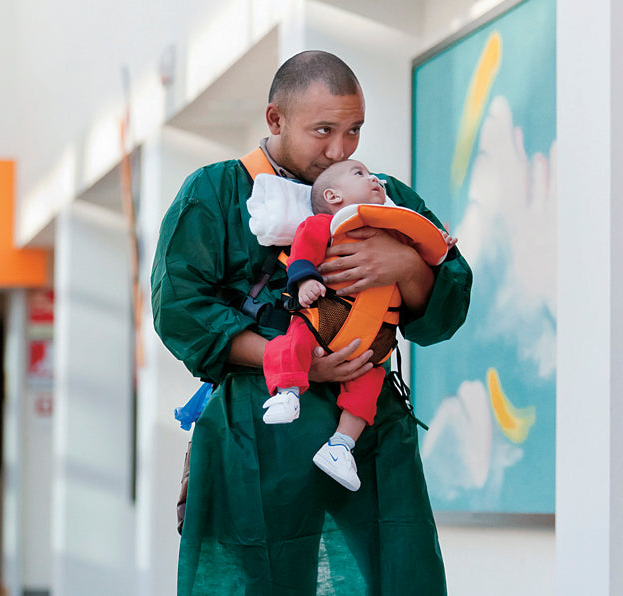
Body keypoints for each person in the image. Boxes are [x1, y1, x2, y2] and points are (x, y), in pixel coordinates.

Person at [150, 50, 472, 594]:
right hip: (259, 430)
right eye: (323, 130)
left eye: (354, 131)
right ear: (275, 119)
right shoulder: (214, 195)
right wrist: (296, 364)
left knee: (398, 572)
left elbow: (446, 306)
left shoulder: (380, 194)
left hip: (367, 430)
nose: (340, 149)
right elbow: (180, 310)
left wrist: (408, 266)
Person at [259, 159, 458, 493]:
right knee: (290, 344)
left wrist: (439, 242)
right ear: (334, 196)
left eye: (372, 174)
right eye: (360, 174)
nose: (374, 178)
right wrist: (304, 280)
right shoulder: (329, 224)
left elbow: (427, 256)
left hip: (373, 344)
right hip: (325, 321)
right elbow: (304, 248)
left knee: (366, 393)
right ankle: (287, 392)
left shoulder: (396, 234)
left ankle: (340, 447)